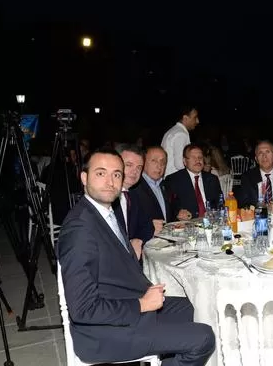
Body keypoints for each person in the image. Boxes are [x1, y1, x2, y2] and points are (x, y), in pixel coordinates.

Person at [57, 148, 215, 365]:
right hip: (105, 334)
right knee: (204, 338)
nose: (110, 182)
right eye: (101, 173)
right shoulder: (80, 229)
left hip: (123, 305)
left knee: (190, 307)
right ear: (84, 178)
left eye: (116, 174)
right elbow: (83, 310)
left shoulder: (104, 213)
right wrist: (141, 304)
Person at [164, 144, 223, 221]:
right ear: (185, 161)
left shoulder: (212, 179)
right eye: (193, 157)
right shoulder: (174, 180)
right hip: (187, 224)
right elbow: (169, 206)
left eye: (200, 157)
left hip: (211, 222)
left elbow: (220, 203)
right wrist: (178, 213)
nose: (198, 160)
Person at [238, 140, 273, 208]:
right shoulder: (247, 177)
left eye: (267, 152)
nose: (264, 156)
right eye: (260, 153)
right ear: (256, 159)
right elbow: (243, 202)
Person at [133, 146, 172, 242]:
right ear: (143, 162)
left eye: (163, 162)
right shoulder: (134, 187)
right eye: (154, 161)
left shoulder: (165, 185)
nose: (159, 166)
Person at [161, 104, 200, 177]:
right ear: (185, 118)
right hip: (175, 179)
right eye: (195, 117)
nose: (198, 121)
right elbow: (179, 164)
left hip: (169, 177)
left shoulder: (173, 131)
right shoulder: (181, 134)